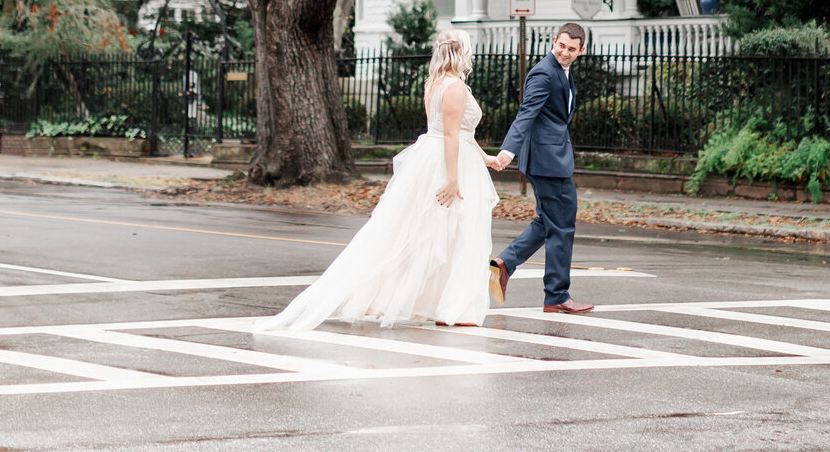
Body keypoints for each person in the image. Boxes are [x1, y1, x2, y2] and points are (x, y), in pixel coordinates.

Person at [254, 28, 499, 333]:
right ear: (459, 53)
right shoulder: (456, 89)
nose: (472, 55)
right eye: (469, 49)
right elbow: (450, 134)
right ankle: (456, 306)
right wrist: (452, 179)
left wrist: (486, 159)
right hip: (449, 164)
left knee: (430, 234)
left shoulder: (436, 84)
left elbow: (458, 132)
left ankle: (442, 302)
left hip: (438, 158)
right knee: (459, 234)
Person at [489, 22, 593, 316]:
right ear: (554, 41)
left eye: (571, 49)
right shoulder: (544, 72)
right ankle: (556, 294)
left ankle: (504, 265)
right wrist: (508, 150)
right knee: (562, 223)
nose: (565, 52)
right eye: (561, 46)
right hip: (546, 162)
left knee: (549, 221)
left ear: (581, 51)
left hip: (552, 159)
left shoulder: (563, 72)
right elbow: (527, 113)